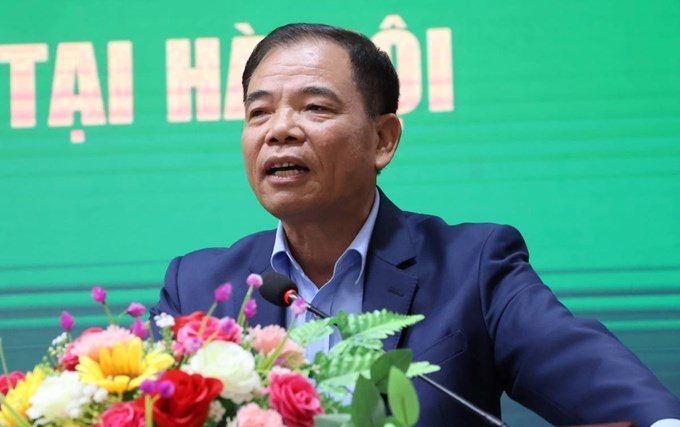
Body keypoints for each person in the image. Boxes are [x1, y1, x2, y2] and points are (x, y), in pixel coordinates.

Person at [151, 23, 680, 426]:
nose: (279, 130)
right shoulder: (198, 289)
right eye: (259, 112)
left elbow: (603, 384)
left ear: (383, 140)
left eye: (314, 107)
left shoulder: (473, 268)